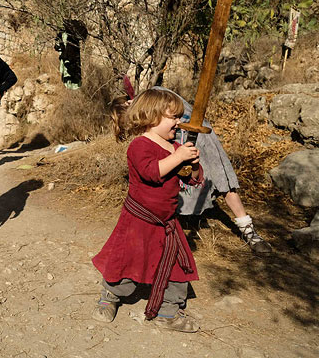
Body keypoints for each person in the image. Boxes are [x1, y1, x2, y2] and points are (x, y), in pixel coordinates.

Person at [93, 88, 203, 332]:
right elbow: (151, 172)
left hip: (167, 223)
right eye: (173, 117)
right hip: (139, 221)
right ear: (151, 117)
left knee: (176, 269)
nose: (179, 122)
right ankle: (110, 296)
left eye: (179, 117)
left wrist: (192, 165)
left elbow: (192, 180)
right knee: (127, 263)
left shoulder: (174, 147)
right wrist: (178, 157)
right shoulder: (139, 145)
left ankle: (168, 312)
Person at [112, 87, 272, 255]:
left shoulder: (160, 97)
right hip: (157, 211)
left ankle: (248, 231)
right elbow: (153, 173)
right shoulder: (146, 141)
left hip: (199, 138)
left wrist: (191, 163)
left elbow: (191, 176)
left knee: (224, 181)